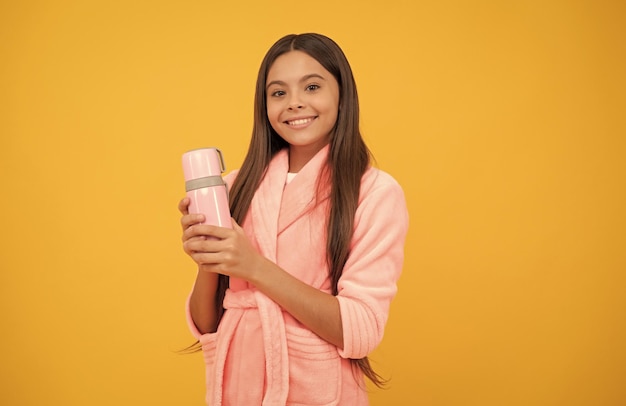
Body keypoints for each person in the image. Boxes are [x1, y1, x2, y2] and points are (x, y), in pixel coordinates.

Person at [178, 33, 409, 406]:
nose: (295, 104)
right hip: (239, 387)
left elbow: (360, 329)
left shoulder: (374, 192)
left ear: (342, 95)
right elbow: (208, 325)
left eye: (312, 86)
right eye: (278, 93)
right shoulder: (236, 184)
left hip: (316, 391)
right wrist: (209, 258)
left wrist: (253, 266)